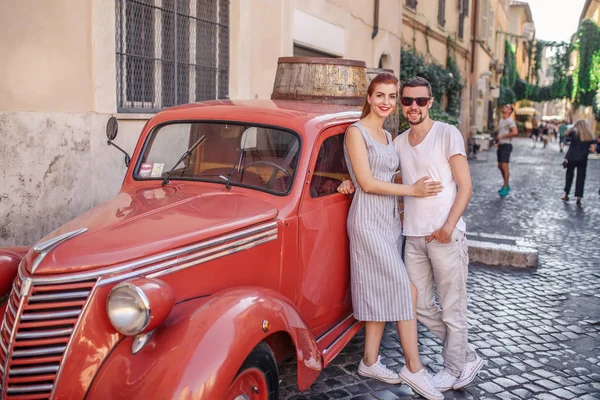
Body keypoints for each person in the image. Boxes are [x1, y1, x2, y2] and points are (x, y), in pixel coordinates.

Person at [339, 76, 482, 393]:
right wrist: (348, 180)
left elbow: (464, 185)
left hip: (428, 231)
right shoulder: (385, 137)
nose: (409, 105)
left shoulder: (435, 134)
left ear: (430, 102)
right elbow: (373, 176)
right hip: (395, 230)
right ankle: (429, 364)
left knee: (447, 307)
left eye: (418, 100)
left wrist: (448, 226)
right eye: (405, 100)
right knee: (411, 299)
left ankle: (453, 365)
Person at [344, 72, 444, 400]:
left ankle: (369, 361)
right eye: (380, 96)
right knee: (405, 289)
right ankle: (414, 369)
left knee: (381, 289)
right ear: (369, 98)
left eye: (391, 96)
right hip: (367, 221)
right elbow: (368, 183)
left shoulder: (388, 136)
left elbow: (387, 171)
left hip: (389, 222)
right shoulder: (355, 132)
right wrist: (412, 191)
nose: (387, 102)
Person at [561, 120, 596, 206]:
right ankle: (578, 198)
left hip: (572, 158)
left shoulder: (574, 133)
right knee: (581, 178)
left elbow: (565, 134)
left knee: (569, 176)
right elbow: (593, 150)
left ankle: (566, 195)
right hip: (583, 159)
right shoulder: (589, 136)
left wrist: (573, 127)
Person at [496, 104, 518, 197]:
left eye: (506, 107)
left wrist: (502, 137)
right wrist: (497, 140)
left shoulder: (510, 120)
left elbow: (515, 132)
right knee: (500, 166)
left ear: (510, 111)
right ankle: (506, 184)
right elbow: (500, 132)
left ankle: (506, 186)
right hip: (501, 145)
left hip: (506, 145)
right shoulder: (501, 120)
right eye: (504, 106)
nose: (504, 107)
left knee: (504, 167)